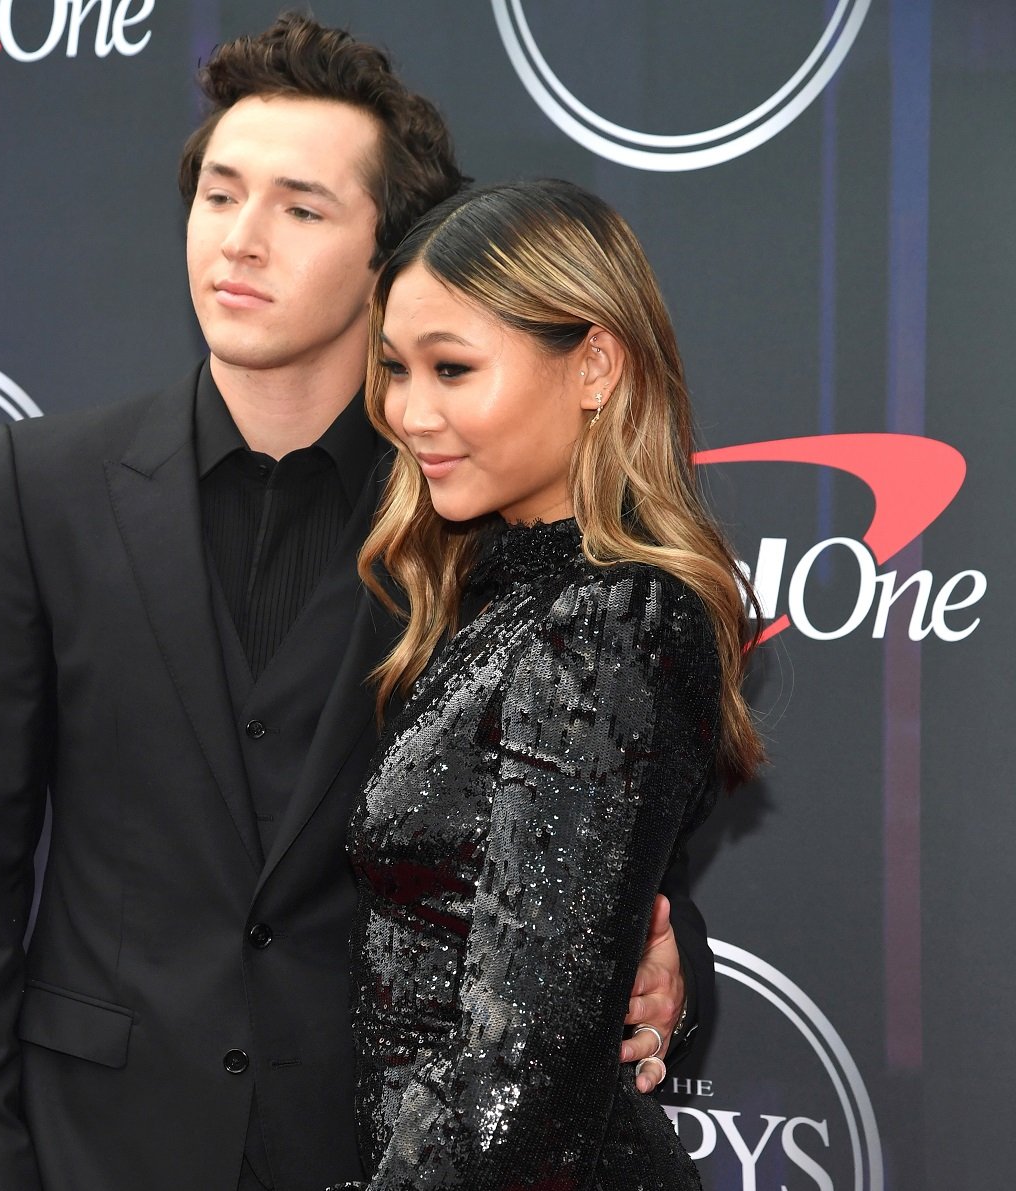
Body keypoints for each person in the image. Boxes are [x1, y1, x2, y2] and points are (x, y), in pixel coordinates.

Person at [0, 17, 714, 1191]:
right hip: (96, 1146)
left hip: (381, 1147)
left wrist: (666, 940)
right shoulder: (46, 487)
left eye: (300, 208)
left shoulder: (478, 509)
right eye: (220, 194)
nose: (241, 240)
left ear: (392, 259)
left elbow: (579, 830)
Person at [334, 179, 764, 1189]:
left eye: (453, 368)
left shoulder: (614, 621)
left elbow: (516, 1085)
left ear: (596, 366)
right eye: (396, 369)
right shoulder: (492, 593)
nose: (408, 411)